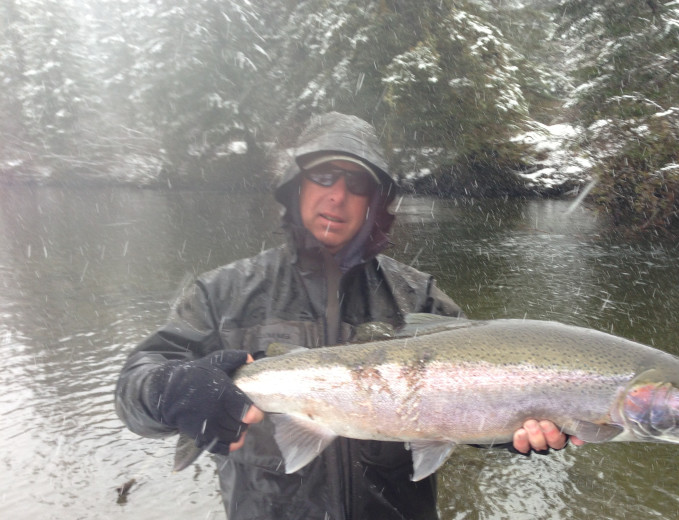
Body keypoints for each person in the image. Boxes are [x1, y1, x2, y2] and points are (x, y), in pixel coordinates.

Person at [114, 112, 580, 520]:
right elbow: (134, 389)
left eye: (357, 184)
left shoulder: (420, 299)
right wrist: (167, 390)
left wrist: (515, 432)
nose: (337, 196)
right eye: (323, 176)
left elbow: (471, 407)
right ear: (297, 187)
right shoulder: (222, 293)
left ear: (375, 202)